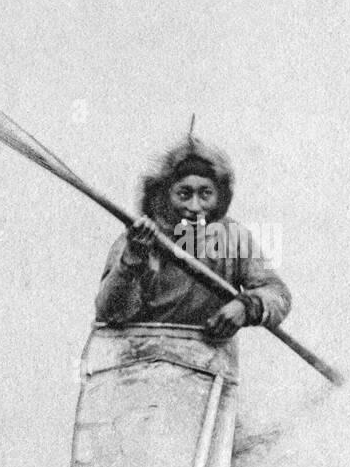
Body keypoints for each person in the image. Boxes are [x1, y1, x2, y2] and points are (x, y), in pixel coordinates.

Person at [95, 134, 290, 338]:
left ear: (219, 196)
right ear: (165, 195)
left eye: (205, 194)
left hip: (207, 354)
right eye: (184, 194)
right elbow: (109, 314)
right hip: (135, 351)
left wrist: (248, 306)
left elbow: (278, 294)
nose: (195, 207)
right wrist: (132, 259)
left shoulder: (234, 238)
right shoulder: (138, 238)